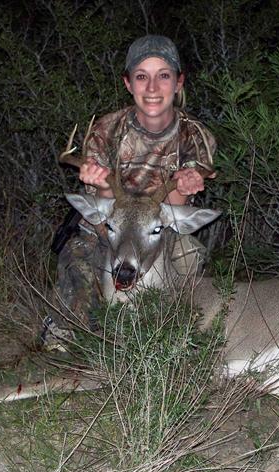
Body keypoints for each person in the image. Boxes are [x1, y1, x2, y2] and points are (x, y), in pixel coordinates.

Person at [51, 35, 217, 336]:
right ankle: (71, 329)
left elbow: (174, 213)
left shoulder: (195, 136)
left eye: (163, 76)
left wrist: (186, 183)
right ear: (128, 84)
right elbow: (100, 216)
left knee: (187, 255)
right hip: (106, 230)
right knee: (78, 314)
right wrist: (99, 183)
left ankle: (167, 330)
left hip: (156, 233)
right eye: (142, 77)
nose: (152, 88)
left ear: (178, 82)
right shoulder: (105, 130)